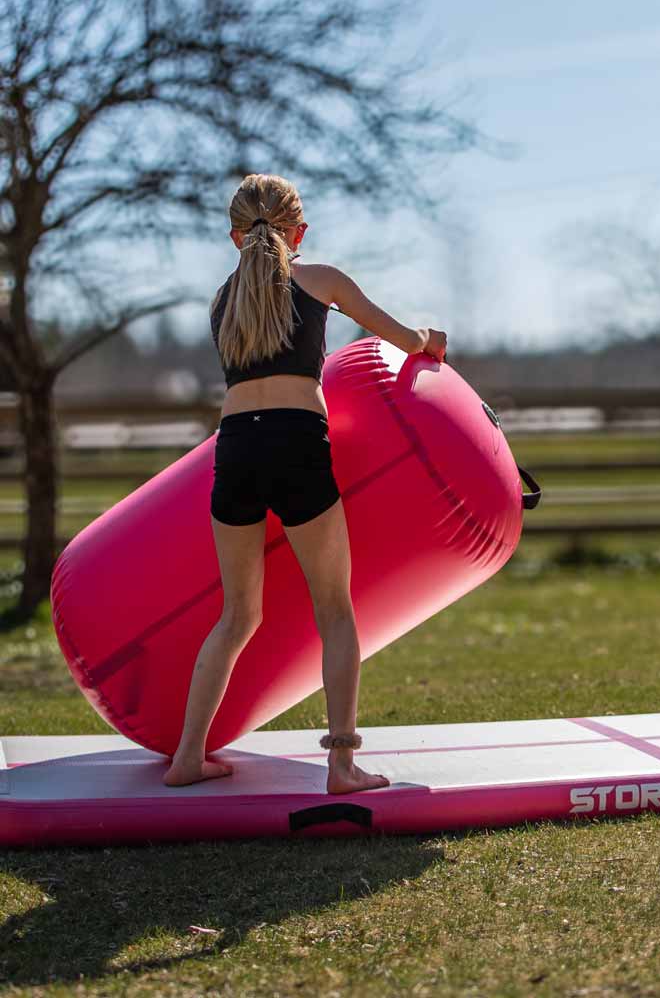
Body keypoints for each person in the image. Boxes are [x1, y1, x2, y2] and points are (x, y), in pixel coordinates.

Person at [163, 173, 447, 793]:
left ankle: (187, 757)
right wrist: (430, 339)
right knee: (335, 609)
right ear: (300, 232)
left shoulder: (221, 301)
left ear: (235, 236)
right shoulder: (322, 280)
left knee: (237, 616)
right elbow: (402, 339)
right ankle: (341, 765)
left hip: (235, 447)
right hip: (296, 441)